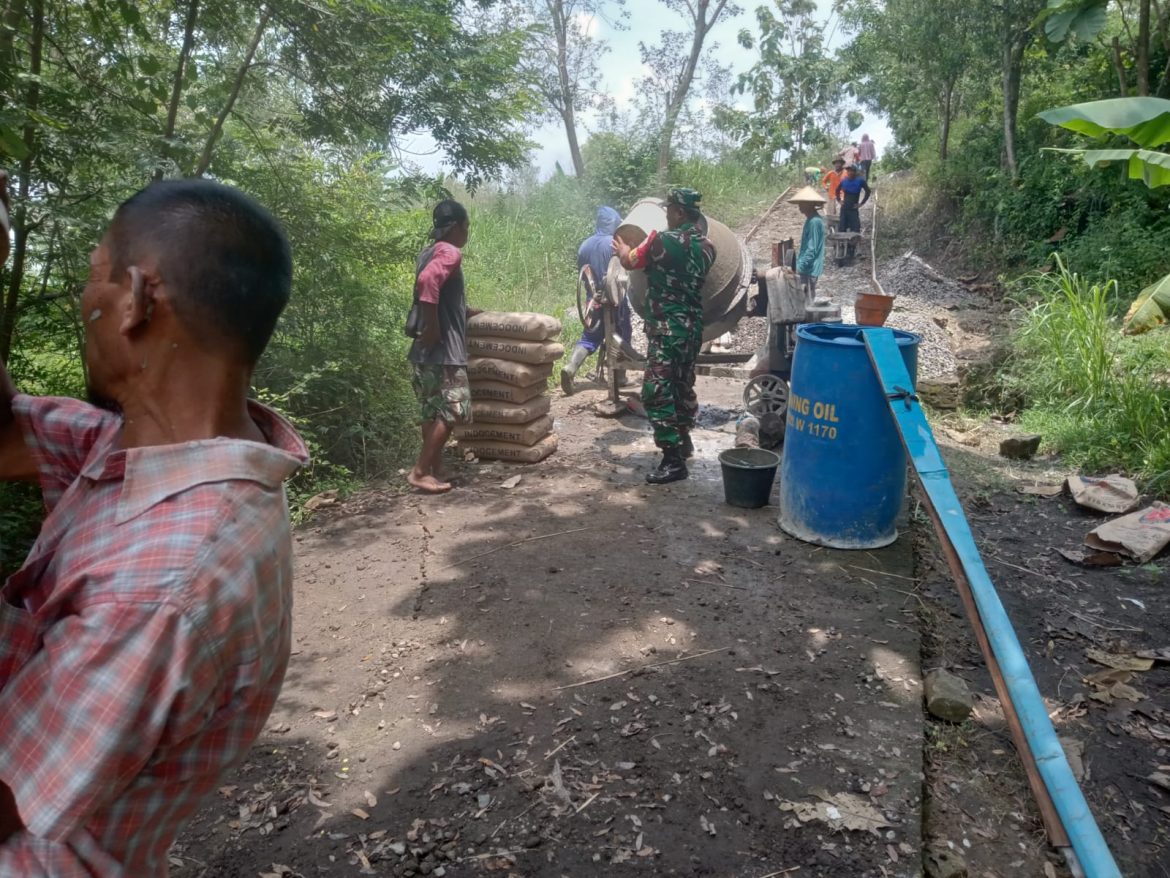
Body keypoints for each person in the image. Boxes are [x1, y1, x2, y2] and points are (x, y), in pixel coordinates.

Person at [0, 174, 309, 876]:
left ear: (136, 299)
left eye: (93, 278)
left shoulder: (162, 581)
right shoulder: (140, 456)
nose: (85, 302)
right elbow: (4, 432)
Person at [613, 188, 714, 485]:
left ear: (679, 212)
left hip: (667, 329)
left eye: (669, 209)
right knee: (681, 385)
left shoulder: (663, 240)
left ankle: (672, 461)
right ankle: (683, 442)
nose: (667, 214)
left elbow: (632, 261)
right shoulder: (708, 247)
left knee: (656, 391)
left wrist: (621, 252)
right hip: (692, 329)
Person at [407, 199, 478, 494]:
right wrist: (435, 330)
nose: (467, 232)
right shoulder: (450, 251)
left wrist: (464, 311)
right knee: (454, 410)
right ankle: (420, 471)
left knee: (431, 411)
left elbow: (440, 293)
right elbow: (428, 282)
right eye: (467, 226)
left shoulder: (429, 252)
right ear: (458, 227)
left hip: (423, 352)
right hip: (444, 350)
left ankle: (436, 469)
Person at [561, 206, 634, 395]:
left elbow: (585, 275)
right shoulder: (614, 244)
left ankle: (570, 367)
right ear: (613, 223)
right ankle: (619, 376)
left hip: (592, 301)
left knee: (589, 337)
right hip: (615, 299)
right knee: (623, 332)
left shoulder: (584, 245)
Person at [791, 186, 827, 298]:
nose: (800, 206)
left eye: (803, 203)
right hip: (807, 267)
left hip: (809, 268)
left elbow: (812, 248)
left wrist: (800, 267)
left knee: (806, 299)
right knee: (805, 298)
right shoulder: (810, 220)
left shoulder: (814, 222)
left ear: (810, 205)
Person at [836, 163, 872, 236]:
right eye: (848, 171)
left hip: (853, 208)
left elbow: (868, 192)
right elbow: (837, 190)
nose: (850, 172)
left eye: (852, 171)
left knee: (855, 228)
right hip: (844, 208)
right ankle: (842, 245)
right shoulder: (844, 181)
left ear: (855, 172)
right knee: (842, 227)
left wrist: (861, 203)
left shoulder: (860, 181)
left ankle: (853, 246)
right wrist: (839, 200)